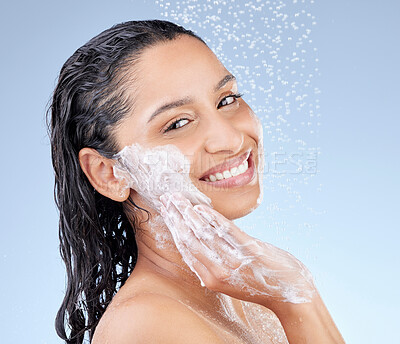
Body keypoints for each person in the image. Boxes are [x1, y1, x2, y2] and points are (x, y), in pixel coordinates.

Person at [48, 19, 345, 343]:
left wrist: (294, 294)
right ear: (109, 174)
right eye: (177, 123)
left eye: (227, 99)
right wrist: (297, 300)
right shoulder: (149, 326)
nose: (230, 138)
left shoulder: (253, 296)